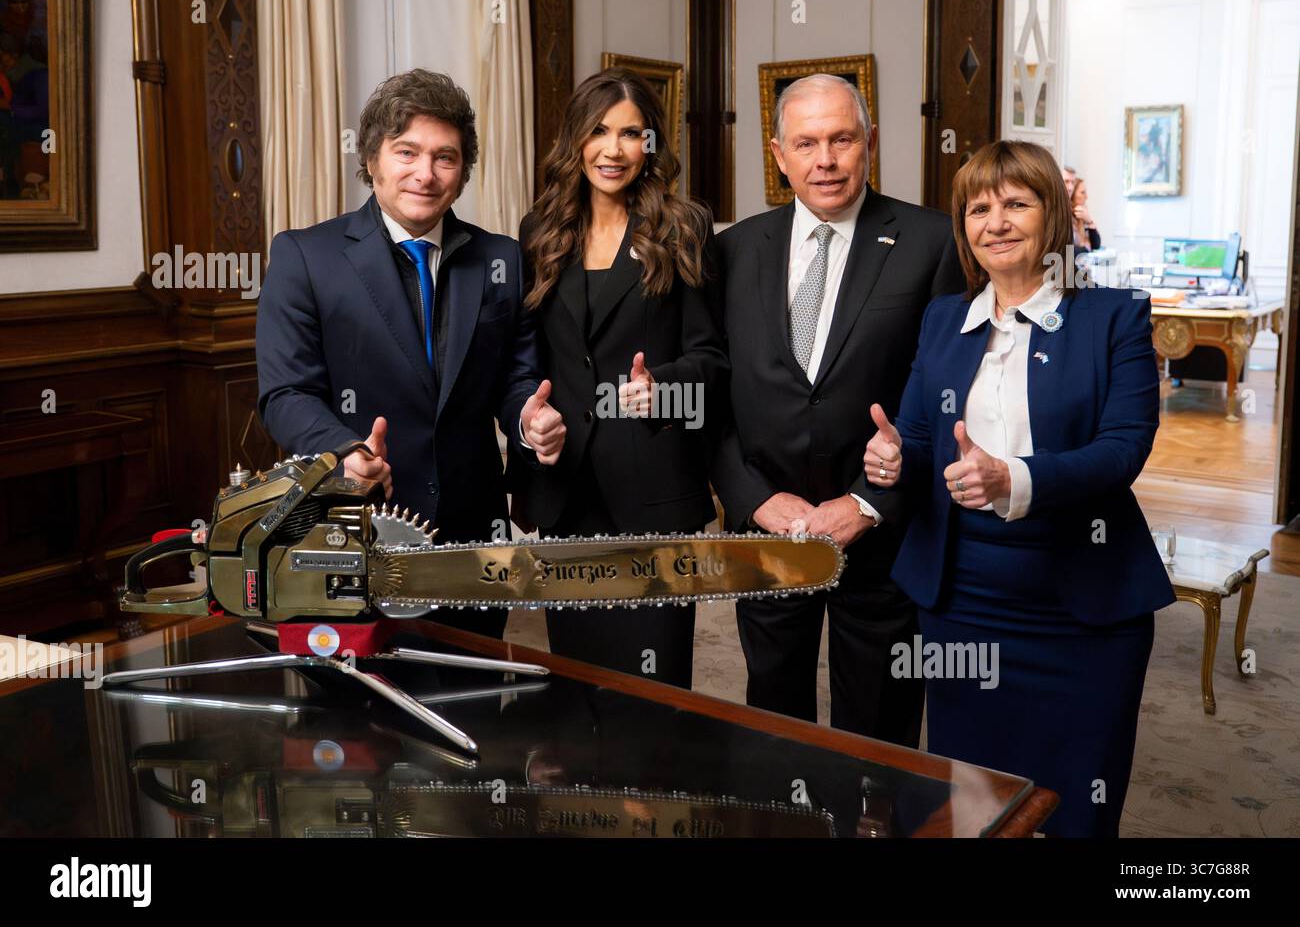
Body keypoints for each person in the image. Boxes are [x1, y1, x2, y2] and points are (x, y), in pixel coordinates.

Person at [865, 139, 1174, 837]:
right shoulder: (944, 318)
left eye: (1016, 203)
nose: (996, 222)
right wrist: (892, 459)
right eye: (978, 208)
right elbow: (916, 440)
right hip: (963, 601)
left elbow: (1123, 450)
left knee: (1078, 806)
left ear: (1053, 217)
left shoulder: (1115, 316)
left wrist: (1016, 477)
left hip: (1083, 610)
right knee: (971, 800)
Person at [257, 69, 565, 640]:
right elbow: (285, 394)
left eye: (445, 157)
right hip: (355, 528)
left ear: (462, 171)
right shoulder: (305, 256)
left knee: (470, 697)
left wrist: (529, 420)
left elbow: (516, 381)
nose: (425, 174)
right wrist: (344, 452)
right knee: (356, 713)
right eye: (407, 152)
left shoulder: (502, 259)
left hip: (474, 537)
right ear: (372, 158)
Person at [711, 73, 964, 743]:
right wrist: (754, 499)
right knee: (772, 714)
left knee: (879, 727)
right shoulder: (732, 249)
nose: (824, 159)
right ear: (778, 153)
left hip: (882, 531)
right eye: (806, 142)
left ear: (870, 144)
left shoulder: (933, 242)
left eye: (841, 139)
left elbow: (946, 395)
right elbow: (710, 396)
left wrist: (866, 504)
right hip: (771, 532)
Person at [515, 68, 726, 687]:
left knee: (653, 692)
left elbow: (713, 358)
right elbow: (531, 361)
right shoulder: (539, 233)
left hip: (654, 494)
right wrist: (531, 424)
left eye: (632, 134)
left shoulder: (684, 227)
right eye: (599, 131)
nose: (613, 149)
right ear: (576, 140)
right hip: (566, 492)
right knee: (574, 686)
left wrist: (663, 386)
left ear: (652, 144)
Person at [1070, 175, 1101, 252]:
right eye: (1082, 192)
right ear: (1072, 195)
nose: (1086, 197)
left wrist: (1089, 221)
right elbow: (1068, 251)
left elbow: (1096, 245)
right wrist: (1086, 248)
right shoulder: (1067, 217)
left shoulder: (1082, 216)